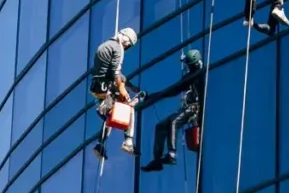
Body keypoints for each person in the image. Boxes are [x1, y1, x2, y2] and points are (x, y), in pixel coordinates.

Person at [138, 47, 207, 172]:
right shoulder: (189, 77)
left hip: (195, 108)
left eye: (189, 65)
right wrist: (151, 96)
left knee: (174, 122)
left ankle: (172, 154)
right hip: (189, 107)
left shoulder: (201, 74)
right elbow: (172, 91)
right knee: (160, 126)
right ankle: (157, 160)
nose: (188, 67)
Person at [89, 26, 139, 158]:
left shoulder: (104, 46)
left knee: (110, 117)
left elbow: (110, 72)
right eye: (128, 43)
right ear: (124, 37)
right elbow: (116, 74)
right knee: (129, 108)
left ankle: (100, 144)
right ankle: (128, 141)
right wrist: (124, 92)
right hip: (106, 91)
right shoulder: (118, 48)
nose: (127, 46)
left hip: (99, 90)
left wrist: (129, 86)